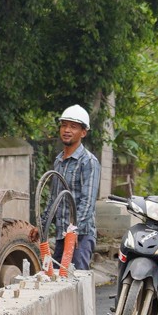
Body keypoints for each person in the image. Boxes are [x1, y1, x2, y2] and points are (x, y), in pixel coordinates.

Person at [31, 105, 101, 271]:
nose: (67, 130)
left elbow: (88, 202)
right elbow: (54, 200)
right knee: (55, 280)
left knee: (76, 282)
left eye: (73, 127)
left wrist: (74, 230)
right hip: (62, 236)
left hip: (80, 237)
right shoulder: (59, 161)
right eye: (64, 125)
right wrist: (42, 225)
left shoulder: (88, 162)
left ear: (83, 133)